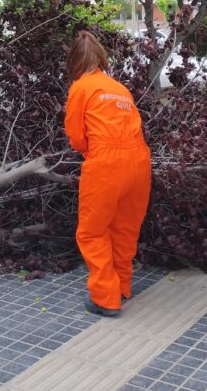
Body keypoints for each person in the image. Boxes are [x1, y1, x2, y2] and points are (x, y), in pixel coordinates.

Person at [64, 30, 152, 317]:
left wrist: (97, 152)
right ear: (101, 58)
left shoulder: (81, 87)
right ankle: (123, 286)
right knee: (125, 228)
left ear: (75, 62)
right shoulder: (120, 89)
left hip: (107, 163)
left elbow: (77, 138)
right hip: (139, 162)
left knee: (92, 232)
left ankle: (105, 297)